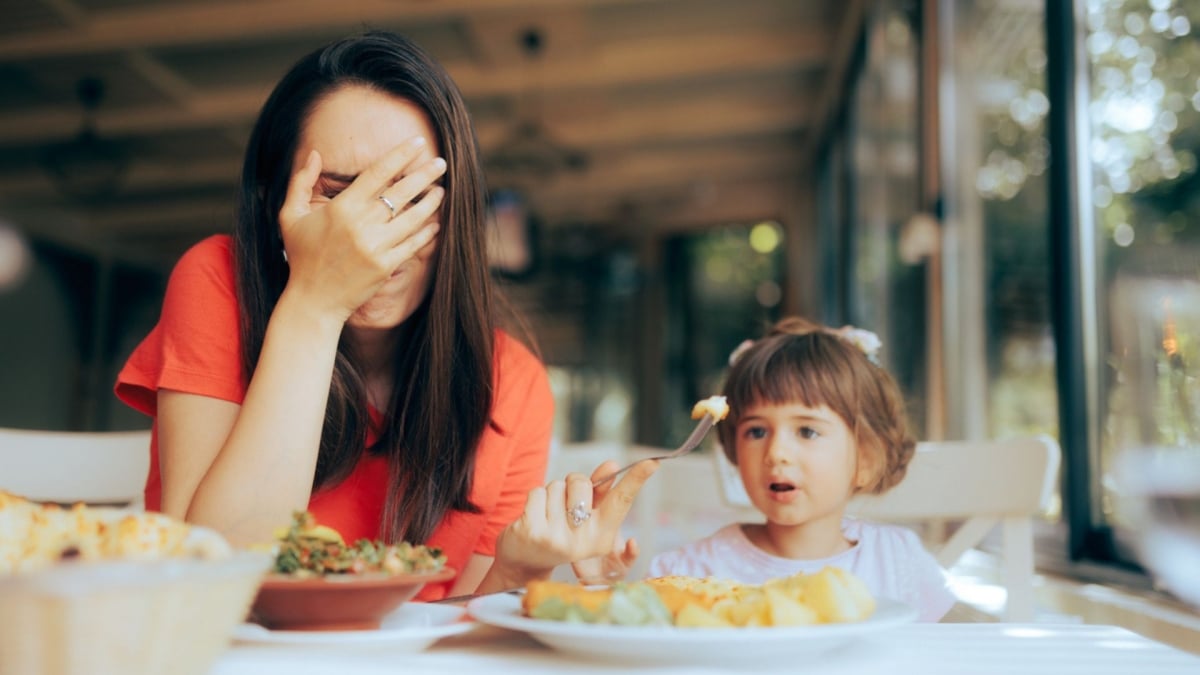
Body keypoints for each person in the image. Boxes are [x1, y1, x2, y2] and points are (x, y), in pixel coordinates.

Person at [114, 30, 654, 601]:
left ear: (458, 212)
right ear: (275, 203)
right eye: (338, 194)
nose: (370, 240)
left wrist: (517, 573)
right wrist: (316, 302)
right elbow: (210, 577)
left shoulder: (513, 383)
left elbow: (456, 637)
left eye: (412, 197)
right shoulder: (218, 280)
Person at [646, 317, 957, 622]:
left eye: (807, 431)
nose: (776, 453)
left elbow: (946, 653)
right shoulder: (688, 573)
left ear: (866, 459)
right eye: (756, 431)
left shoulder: (898, 560)